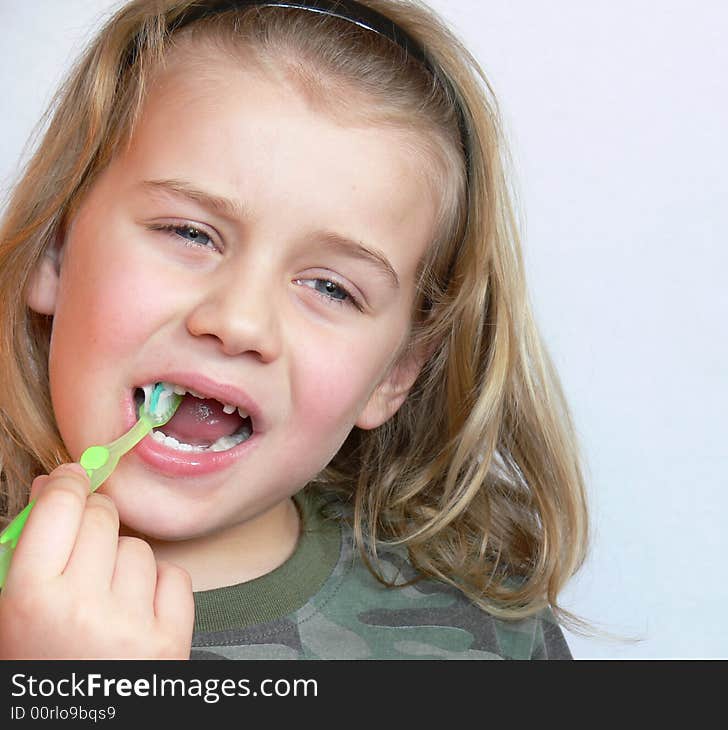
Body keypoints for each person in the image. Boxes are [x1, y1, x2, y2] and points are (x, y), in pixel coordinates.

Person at [0, 0, 589, 659]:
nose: (239, 322)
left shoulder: (486, 643)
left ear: (395, 372)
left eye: (331, 287)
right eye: (191, 233)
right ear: (55, 251)